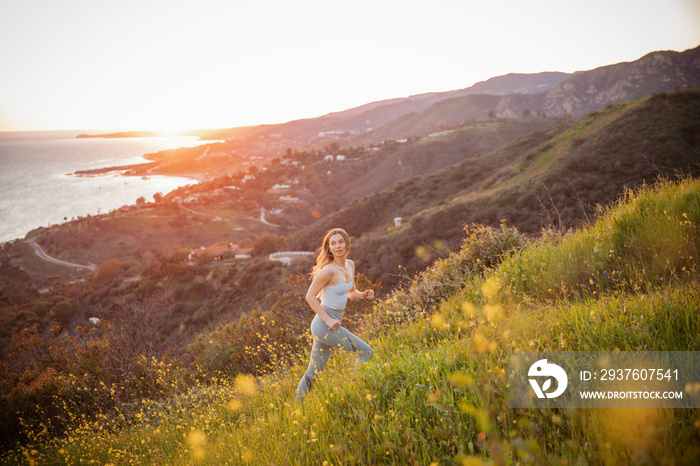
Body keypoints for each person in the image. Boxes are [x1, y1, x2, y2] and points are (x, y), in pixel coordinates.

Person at [296, 228, 374, 400]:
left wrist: (364, 295)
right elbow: (309, 296)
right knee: (366, 352)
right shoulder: (328, 270)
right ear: (329, 248)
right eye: (333, 243)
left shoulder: (350, 265)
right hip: (324, 324)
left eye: (340, 242)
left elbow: (351, 293)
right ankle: (358, 390)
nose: (337, 246)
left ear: (347, 244)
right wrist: (328, 319)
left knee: (314, 371)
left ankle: (298, 404)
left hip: (332, 322)